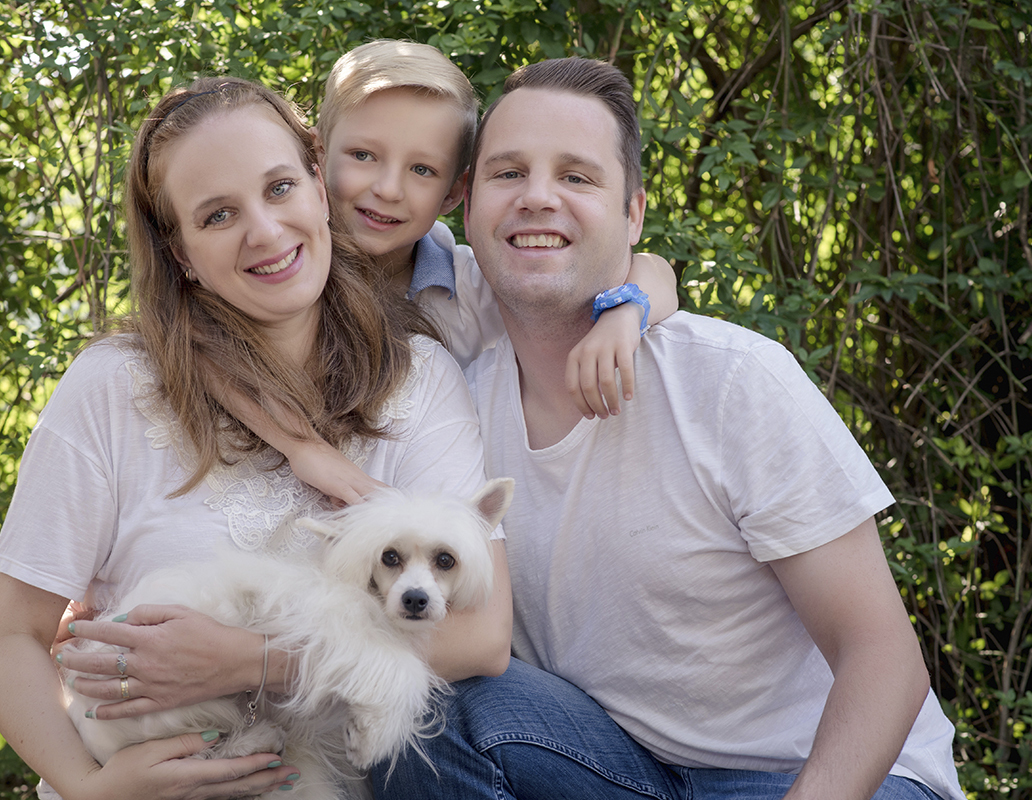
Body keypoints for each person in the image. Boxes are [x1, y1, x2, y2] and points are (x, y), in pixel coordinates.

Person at [375, 58, 965, 800]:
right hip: (615, 763)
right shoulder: (456, 401)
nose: (537, 198)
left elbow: (883, 657)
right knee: (422, 709)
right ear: (466, 206)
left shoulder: (731, 381)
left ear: (634, 215)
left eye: (578, 177)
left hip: (817, 773)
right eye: (508, 173)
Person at [0, 76, 512, 800]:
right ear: (180, 248)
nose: (264, 230)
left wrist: (249, 660)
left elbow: (478, 639)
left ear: (319, 183)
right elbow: (4, 639)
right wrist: (88, 787)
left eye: (280, 187)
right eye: (218, 214)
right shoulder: (112, 388)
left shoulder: (419, 380)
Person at [212, 40, 680, 506]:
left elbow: (652, 268)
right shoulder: (281, 262)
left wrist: (624, 312)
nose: (388, 188)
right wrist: (301, 447)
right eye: (362, 155)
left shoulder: (471, 286)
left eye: (421, 169)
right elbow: (198, 335)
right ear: (316, 155)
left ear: (455, 194)